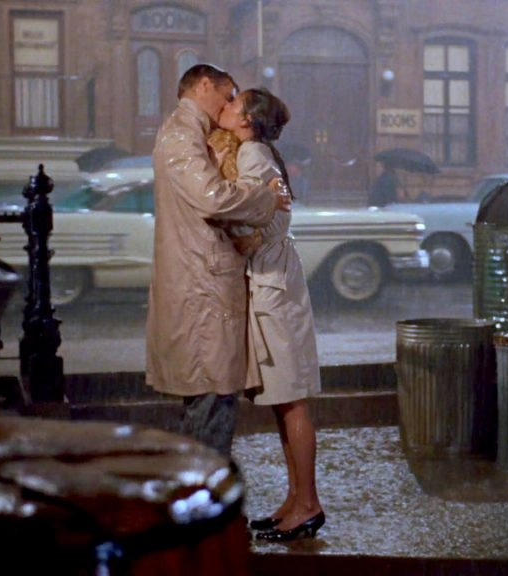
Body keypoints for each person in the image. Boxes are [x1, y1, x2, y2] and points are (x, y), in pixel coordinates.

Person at [145, 64, 289, 458]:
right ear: (205, 85)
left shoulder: (191, 133)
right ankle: (205, 492)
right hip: (201, 286)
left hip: (204, 283)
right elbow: (212, 198)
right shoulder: (181, 134)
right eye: (227, 96)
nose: (228, 106)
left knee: (211, 399)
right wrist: (266, 198)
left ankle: (204, 488)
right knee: (211, 401)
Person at [213, 87, 326, 542]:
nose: (225, 107)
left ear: (247, 120)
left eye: (234, 104)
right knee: (284, 400)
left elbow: (246, 212)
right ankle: (295, 499)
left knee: (292, 399)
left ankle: (309, 504)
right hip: (276, 278)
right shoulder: (260, 152)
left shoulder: (253, 154)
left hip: (273, 283)